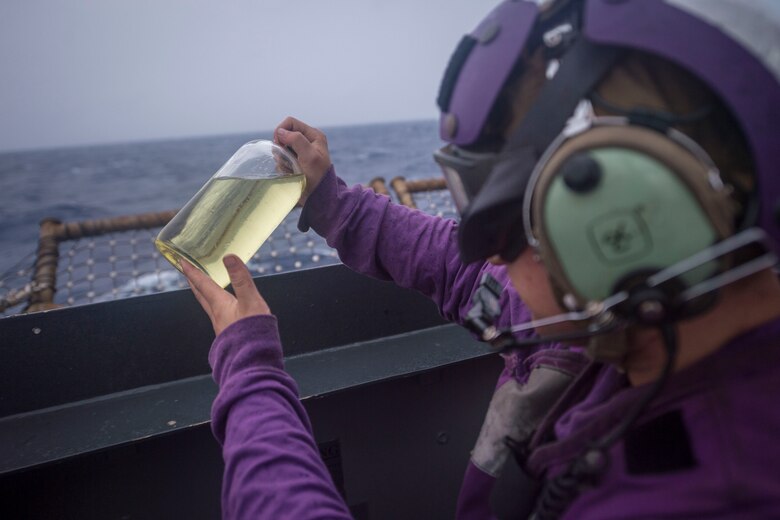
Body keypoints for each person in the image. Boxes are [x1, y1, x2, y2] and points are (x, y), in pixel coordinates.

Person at [182, 0, 780, 518]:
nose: (489, 246)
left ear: (621, 217)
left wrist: (252, 374)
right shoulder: (603, 315)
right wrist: (334, 202)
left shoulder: (701, 497)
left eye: (516, 214)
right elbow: (464, 270)